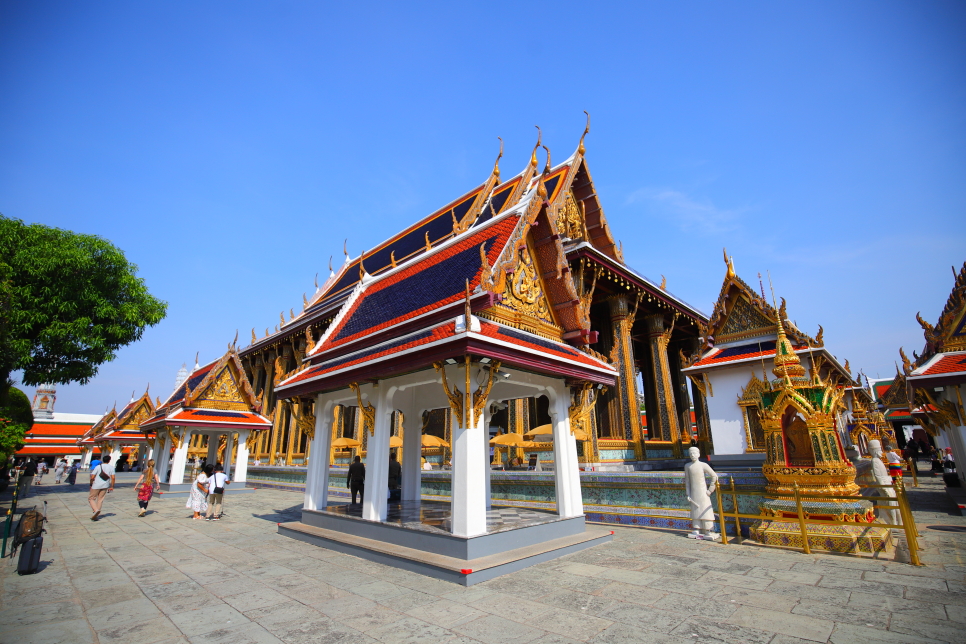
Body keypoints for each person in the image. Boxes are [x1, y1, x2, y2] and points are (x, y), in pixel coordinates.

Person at [88, 455, 116, 521]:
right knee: (100, 500)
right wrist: (112, 486)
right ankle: (96, 514)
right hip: (105, 485)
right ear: (109, 460)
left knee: (91, 498)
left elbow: (92, 477)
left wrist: (91, 484)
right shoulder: (111, 467)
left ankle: (96, 510)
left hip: (96, 485)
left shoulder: (98, 467)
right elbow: (113, 478)